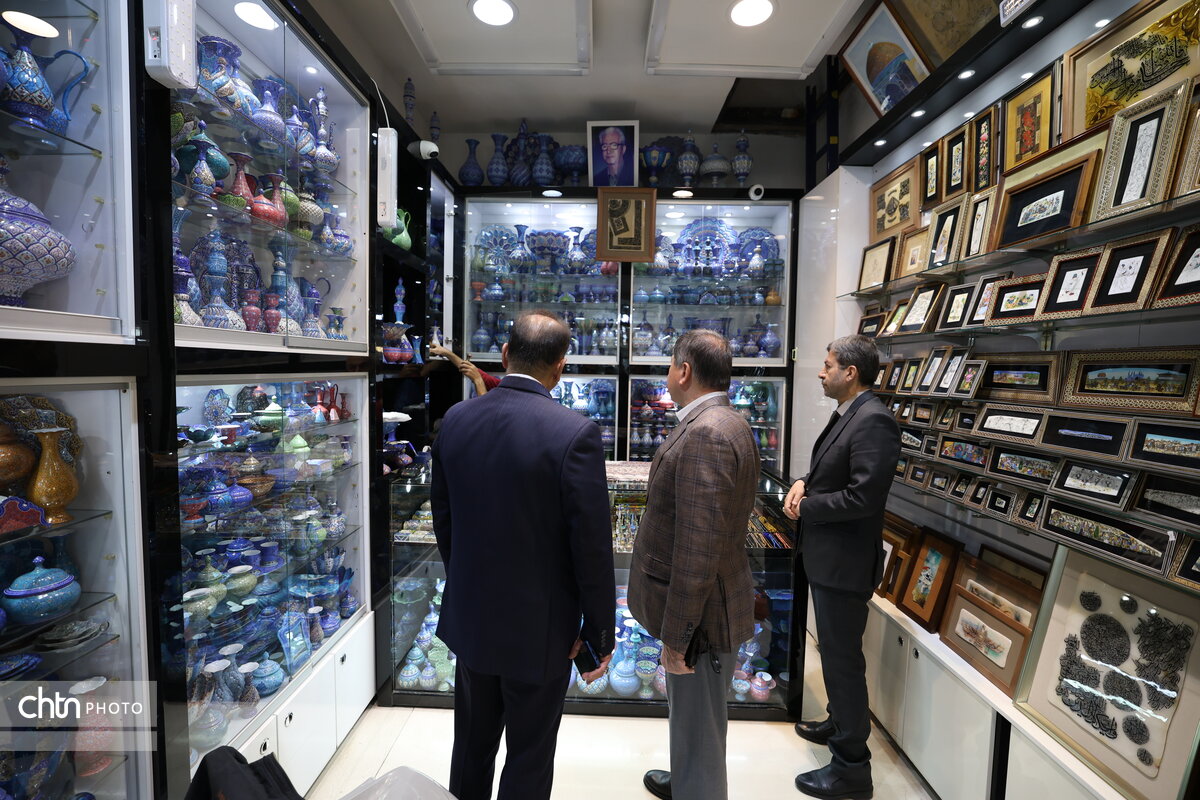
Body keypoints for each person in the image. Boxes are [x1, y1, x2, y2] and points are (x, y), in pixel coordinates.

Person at [431, 311, 615, 800]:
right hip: (541, 631)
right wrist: (599, 633)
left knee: (470, 748)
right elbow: (592, 548)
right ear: (560, 366)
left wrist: (467, 582)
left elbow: (444, 521)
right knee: (529, 759)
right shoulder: (575, 433)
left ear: (505, 354)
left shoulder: (456, 420)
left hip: (472, 618)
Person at [628, 329, 759, 800]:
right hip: (706, 606)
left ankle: (696, 787)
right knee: (691, 716)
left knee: (700, 724)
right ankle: (687, 779)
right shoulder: (727, 421)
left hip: (700, 619)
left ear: (683, 371)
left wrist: (678, 636)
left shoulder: (706, 433)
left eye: (669, 364)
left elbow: (697, 548)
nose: (667, 373)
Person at [784, 335, 900, 800]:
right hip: (830, 559)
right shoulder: (851, 413)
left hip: (845, 564)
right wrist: (804, 481)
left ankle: (852, 769)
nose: (820, 371)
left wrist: (807, 506)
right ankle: (838, 724)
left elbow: (863, 496)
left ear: (850, 372)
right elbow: (834, 472)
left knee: (843, 661)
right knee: (835, 654)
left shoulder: (874, 421)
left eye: (828, 365)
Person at [429, 341, 499, 395]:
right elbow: (470, 370)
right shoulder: (500, 383)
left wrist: (477, 379)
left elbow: (485, 406)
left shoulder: (503, 389)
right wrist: (446, 352)